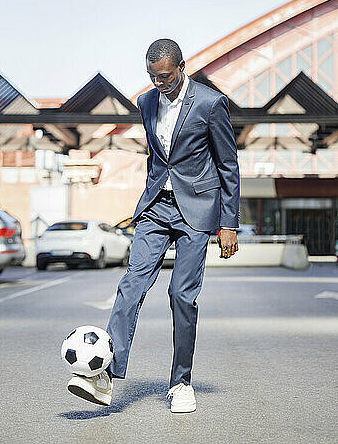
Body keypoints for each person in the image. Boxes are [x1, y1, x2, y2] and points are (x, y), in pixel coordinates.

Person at [67, 39, 240, 412]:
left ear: (181, 66)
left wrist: (229, 223)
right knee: (131, 284)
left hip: (197, 209)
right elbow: (156, 157)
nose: (158, 83)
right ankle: (105, 375)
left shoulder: (210, 103)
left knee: (181, 294)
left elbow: (228, 165)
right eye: (151, 76)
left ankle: (181, 383)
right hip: (156, 208)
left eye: (163, 76)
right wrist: (148, 196)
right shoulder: (146, 102)